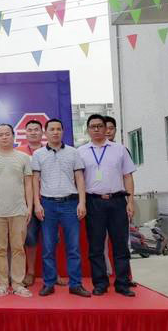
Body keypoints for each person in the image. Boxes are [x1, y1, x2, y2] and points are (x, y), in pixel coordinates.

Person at [78, 114, 137, 297]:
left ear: (106, 128)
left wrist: (130, 201)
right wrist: (82, 202)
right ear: (88, 130)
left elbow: (128, 176)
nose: (96, 129)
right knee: (95, 245)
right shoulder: (81, 151)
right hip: (93, 202)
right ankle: (100, 283)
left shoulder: (119, 149)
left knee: (120, 244)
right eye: (92, 126)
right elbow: (79, 179)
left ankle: (122, 283)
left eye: (99, 126)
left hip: (117, 201)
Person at [32, 119, 91, 297]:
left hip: (70, 204)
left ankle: (75, 284)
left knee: (73, 247)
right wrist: (37, 204)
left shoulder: (73, 152)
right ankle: (49, 283)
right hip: (47, 204)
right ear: (46, 133)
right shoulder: (38, 154)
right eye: (52, 129)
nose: (55, 132)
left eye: (58, 129)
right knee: (48, 247)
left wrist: (82, 202)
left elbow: (79, 178)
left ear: (63, 131)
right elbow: (35, 180)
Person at [0, 124, 33, 298]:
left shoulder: (24, 158)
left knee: (18, 249)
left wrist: (29, 207)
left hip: (19, 210)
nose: (4, 137)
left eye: (7, 134)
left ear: (13, 135)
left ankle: (17, 284)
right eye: (0, 134)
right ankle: (2, 284)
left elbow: (28, 184)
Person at [16, 120, 47, 288]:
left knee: (51, 238)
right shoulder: (18, 152)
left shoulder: (49, 150)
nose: (33, 132)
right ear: (25, 133)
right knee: (29, 238)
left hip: (48, 200)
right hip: (26, 201)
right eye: (30, 130)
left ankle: (52, 273)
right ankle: (30, 272)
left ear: (42, 133)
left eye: (36, 129)